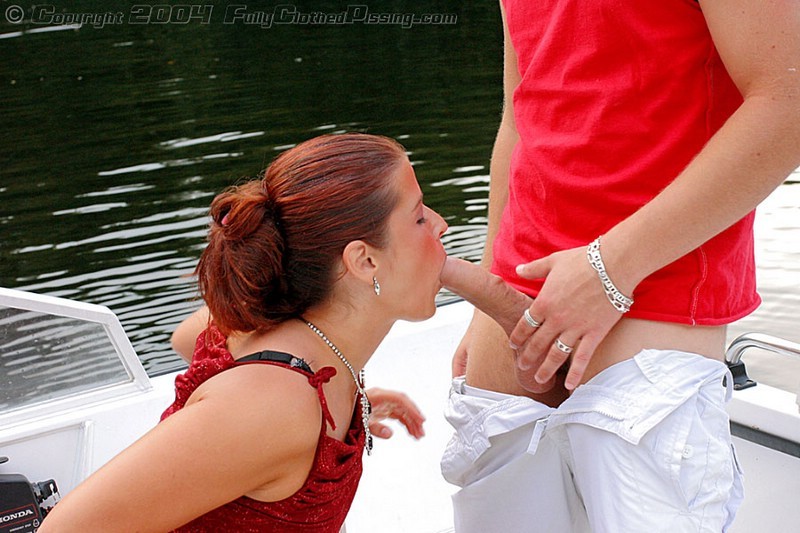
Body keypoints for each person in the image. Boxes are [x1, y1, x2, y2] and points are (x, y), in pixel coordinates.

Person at [441, 1, 800, 532]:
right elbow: (520, 115)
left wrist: (606, 271)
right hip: (517, 306)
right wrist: (488, 290)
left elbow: (789, 99)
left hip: (655, 308)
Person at [39, 132, 448, 532]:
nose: (441, 225)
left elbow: (187, 338)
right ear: (364, 261)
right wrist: (268, 426)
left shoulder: (296, 332)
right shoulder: (279, 405)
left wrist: (312, 427)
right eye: (419, 216)